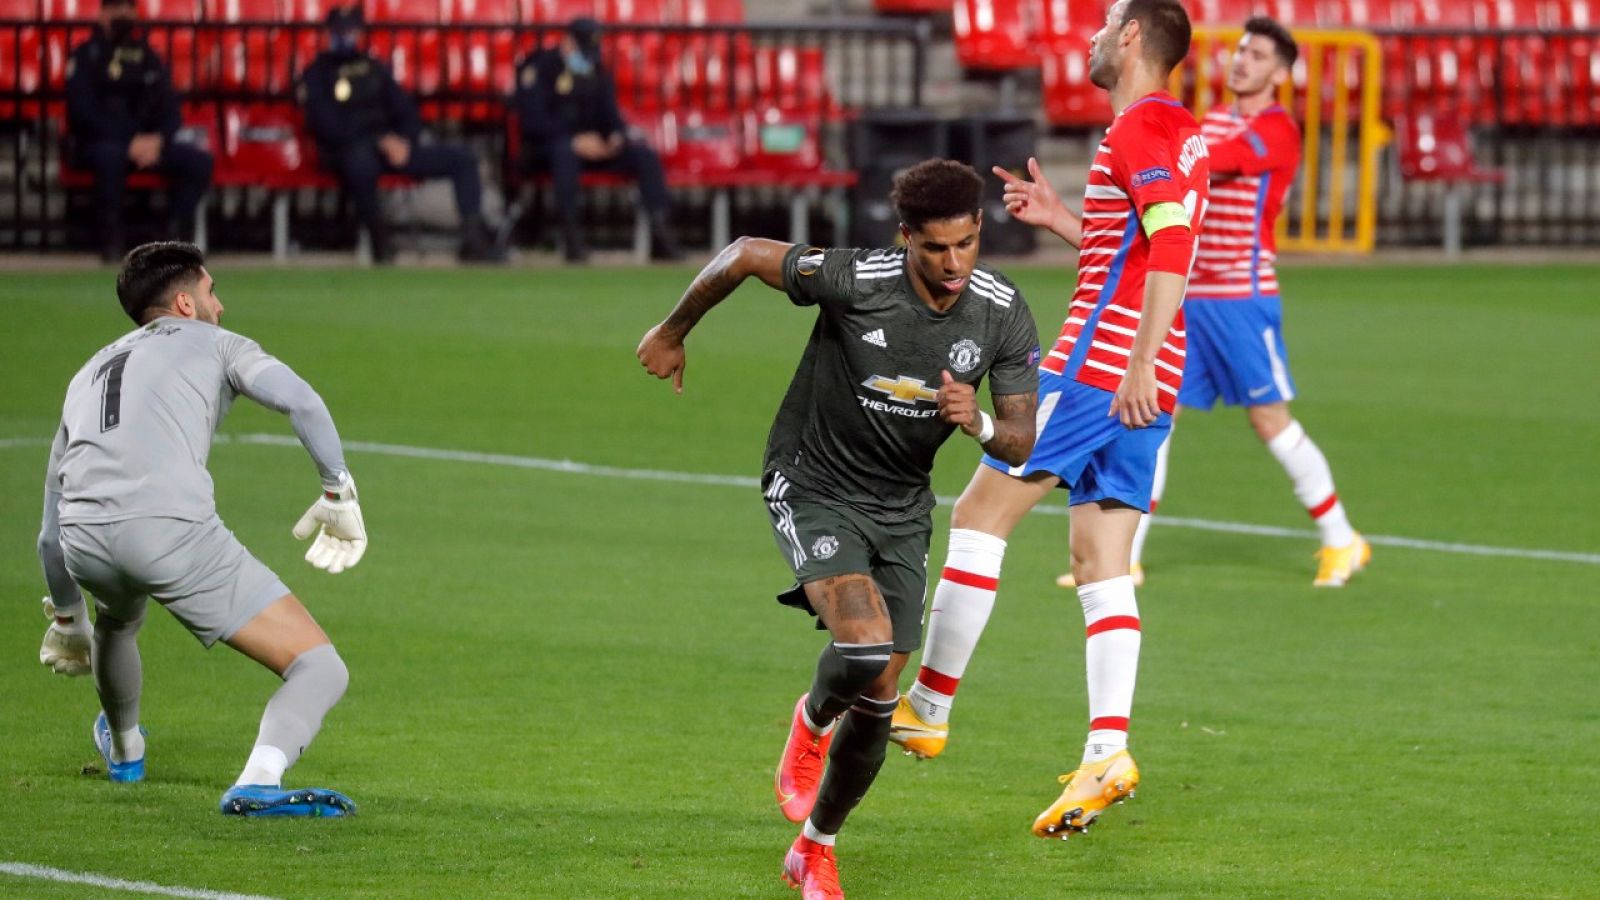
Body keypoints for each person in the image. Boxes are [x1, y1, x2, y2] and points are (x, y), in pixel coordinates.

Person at [636, 160, 1040, 897]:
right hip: (814, 482)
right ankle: (812, 719)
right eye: (934, 248)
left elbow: (1021, 437)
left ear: (981, 230)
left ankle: (814, 848)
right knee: (863, 644)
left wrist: (977, 420)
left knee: (883, 694)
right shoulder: (860, 278)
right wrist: (673, 328)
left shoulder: (1001, 310)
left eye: (966, 244)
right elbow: (745, 254)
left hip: (902, 507)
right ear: (905, 237)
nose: (953, 264)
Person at [887, 0, 1208, 840]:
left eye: (1105, 24)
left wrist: (1133, 361)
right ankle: (1107, 749)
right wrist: (1069, 220)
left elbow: (1172, 248)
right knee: (1100, 556)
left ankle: (928, 704)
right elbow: (1142, 245)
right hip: (1148, 376)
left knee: (979, 512)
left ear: (1134, 37)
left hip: (1104, 367)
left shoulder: (1138, 130)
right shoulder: (1178, 132)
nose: (1091, 37)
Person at [34, 241, 368, 817]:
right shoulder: (221, 344)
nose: (222, 304)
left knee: (117, 619)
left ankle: (125, 750)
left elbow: (48, 529)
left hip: (82, 538)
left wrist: (68, 618)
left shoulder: (87, 372)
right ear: (185, 303)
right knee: (320, 666)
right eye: (213, 291)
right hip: (169, 530)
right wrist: (338, 489)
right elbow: (302, 401)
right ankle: (259, 781)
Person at [1056, 16, 1369, 591]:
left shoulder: (1276, 130)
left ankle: (1342, 538)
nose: (1241, 61)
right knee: (1152, 414)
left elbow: (1209, 164)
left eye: (1256, 56)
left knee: (1269, 420)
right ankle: (1127, 558)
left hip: (1240, 298)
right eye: (1240, 51)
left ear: (1280, 73)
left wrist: (1154, 146)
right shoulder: (1208, 122)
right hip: (1184, 296)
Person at [298, 4, 503, 263]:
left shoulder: (373, 68)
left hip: (392, 149)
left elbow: (405, 110)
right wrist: (378, 139)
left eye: (352, 30)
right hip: (349, 150)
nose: (348, 36)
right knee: (360, 163)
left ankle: (474, 239)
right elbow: (326, 124)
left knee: (463, 158)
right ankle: (380, 242)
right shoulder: (317, 74)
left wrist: (405, 141)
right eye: (342, 31)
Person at [514, 17, 682, 263]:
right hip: (550, 149)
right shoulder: (540, 67)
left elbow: (610, 114)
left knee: (643, 155)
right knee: (564, 153)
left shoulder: (597, 70)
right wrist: (574, 140)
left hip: (596, 148)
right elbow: (533, 120)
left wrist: (616, 135)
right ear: (568, 42)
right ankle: (572, 239)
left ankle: (661, 232)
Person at [65, 0, 214, 262]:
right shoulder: (86, 56)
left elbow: (171, 111)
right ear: (102, 14)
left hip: (149, 145)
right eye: (116, 7)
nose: (123, 13)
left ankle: (176, 242)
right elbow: (81, 113)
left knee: (198, 161)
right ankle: (111, 242)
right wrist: (128, 141)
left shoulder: (148, 57)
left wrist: (157, 140)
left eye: (129, 7)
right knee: (110, 158)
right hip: (102, 142)